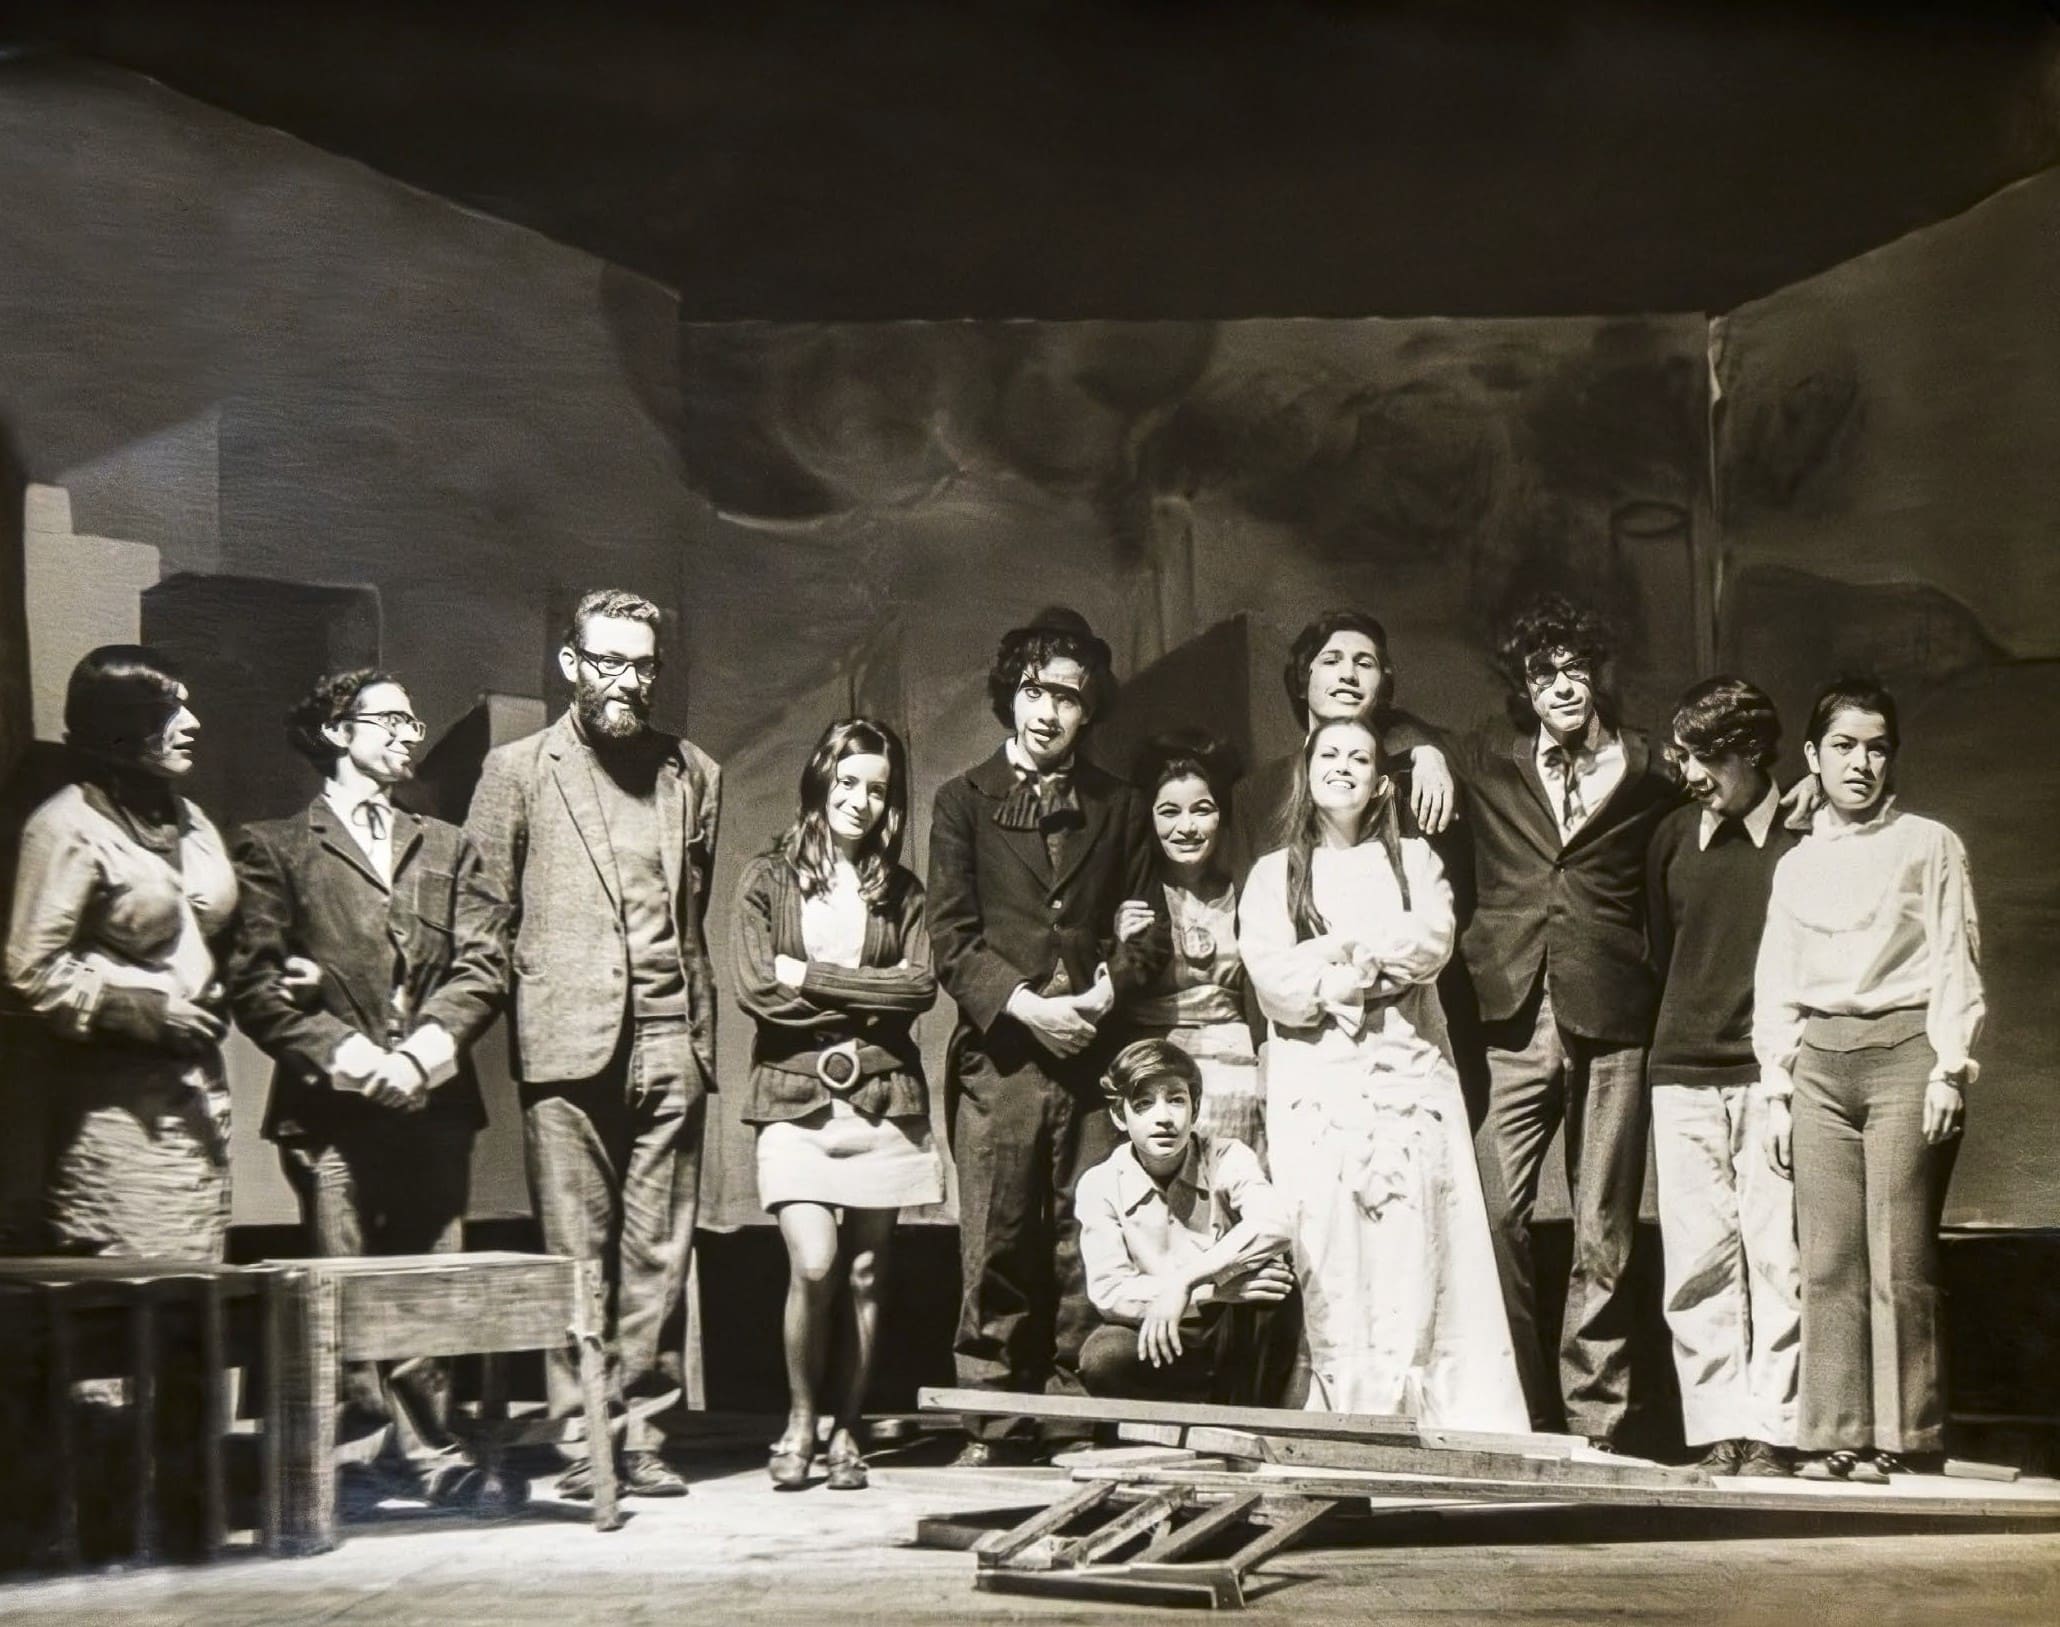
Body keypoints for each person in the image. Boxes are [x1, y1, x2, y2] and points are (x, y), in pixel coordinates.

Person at [466, 588, 721, 1501]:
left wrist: (698, 1045)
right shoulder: (517, 771)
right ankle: (585, 1442)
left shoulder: (696, 772)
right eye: (609, 661)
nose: (628, 680)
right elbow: (483, 918)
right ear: (571, 664)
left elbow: (688, 917)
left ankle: (642, 1433)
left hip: (668, 1041)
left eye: (643, 664)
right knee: (577, 1250)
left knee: (659, 1252)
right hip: (565, 1042)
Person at [227, 668, 506, 1499]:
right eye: (388, 720)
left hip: (433, 1105)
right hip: (329, 1113)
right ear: (337, 731)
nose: (407, 735)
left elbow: (484, 966)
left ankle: (429, 1450)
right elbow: (259, 985)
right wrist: (355, 1060)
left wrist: (419, 1054)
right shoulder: (274, 846)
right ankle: (357, 1449)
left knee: (425, 1283)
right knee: (342, 1283)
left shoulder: (452, 845)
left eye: (412, 721)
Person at [926, 605, 1170, 1464]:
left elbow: (1145, 933)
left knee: (1082, 1238)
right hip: (1003, 1060)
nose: (1049, 709)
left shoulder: (1121, 805)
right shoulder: (961, 802)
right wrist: (1031, 1008)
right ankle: (990, 1420)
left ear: (1088, 708)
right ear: (1010, 693)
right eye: (1035, 688)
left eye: (1069, 694)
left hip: (1095, 1062)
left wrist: (1105, 995)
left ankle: (1075, 1417)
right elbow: (952, 941)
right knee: (996, 1239)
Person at [1239, 717, 1529, 1428]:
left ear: (1379, 781)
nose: (1343, 767)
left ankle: (1441, 1416)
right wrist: (1342, 976)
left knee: (1419, 1244)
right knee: (1333, 1246)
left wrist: (1340, 961)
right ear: (1307, 771)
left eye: (1359, 757)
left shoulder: (1415, 860)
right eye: (1329, 755)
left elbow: (1428, 942)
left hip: (1407, 1078)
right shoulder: (1274, 873)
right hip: (1319, 1086)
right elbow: (1274, 976)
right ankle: (1346, 1413)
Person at [1447, 593, 1679, 1446]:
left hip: (1614, 1011)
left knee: (1603, 1226)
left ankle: (1597, 1418)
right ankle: (1518, 1402)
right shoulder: (1482, 756)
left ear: (1597, 674)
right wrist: (1427, 767)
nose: (1562, 684)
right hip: (1511, 1010)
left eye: (1576, 667)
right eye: (1544, 672)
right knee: (1492, 1210)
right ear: (1524, 685)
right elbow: (1402, 756)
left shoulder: (1654, 766)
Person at [1754, 679, 1982, 1483]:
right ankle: (1833, 1435)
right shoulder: (1797, 865)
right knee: (1828, 1256)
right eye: (1845, 746)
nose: (1862, 762)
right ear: (1814, 757)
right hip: (1818, 1062)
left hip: (1906, 1053)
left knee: (1901, 1253)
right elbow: (1778, 976)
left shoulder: (1929, 843)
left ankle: (1908, 1436)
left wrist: (1950, 1067)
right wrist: (1779, 1090)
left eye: (1878, 746)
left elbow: (1956, 958)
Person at [732, 717, 943, 1493]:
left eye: (877, 788)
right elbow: (757, 990)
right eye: (848, 781)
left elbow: (919, 987)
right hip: (792, 1102)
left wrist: (812, 976)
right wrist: (867, 1002)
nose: (859, 799)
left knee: (863, 1275)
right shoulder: (765, 877)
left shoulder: (902, 890)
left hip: (887, 1102)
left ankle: (847, 1431)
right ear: (821, 779)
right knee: (814, 1261)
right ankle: (798, 1420)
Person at [5, 646, 237, 1262]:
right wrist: (142, 1010)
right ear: (118, 724)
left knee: (197, 1312)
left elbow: (214, 934)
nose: (191, 725)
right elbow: (30, 970)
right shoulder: (66, 826)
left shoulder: (194, 822)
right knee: (136, 1306)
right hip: (116, 1115)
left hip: (200, 1106)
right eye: (167, 711)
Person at [1645, 677, 1802, 1477]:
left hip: (1772, 1076)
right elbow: (1659, 949)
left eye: (1706, 756)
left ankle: (1774, 1430)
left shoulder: (1804, 841)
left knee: (1778, 1254)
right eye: (1684, 754)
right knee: (1698, 1260)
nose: (1691, 772)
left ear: (1750, 754)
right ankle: (1717, 1431)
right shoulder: (1672, 838)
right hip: (1680, 1073)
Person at [1074, 1038, 1294, 1403]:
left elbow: (1273, 1225)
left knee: (1276, 1287)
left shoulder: (1227, 1156)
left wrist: (1185, 1282)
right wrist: (1209, 1291)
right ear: (1119, 1115)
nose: (1163, 1117)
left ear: (1194, 1109)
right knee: (1103, 1357)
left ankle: (1250, 1419)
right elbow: (1110, 1291)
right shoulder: (1100, 1183)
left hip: (1230, 1329)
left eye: (1176, 1100)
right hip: (1163, 1330)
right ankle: (1182, 1419)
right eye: (1143, 1104)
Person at [1113, 733, 1264, 1161]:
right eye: (1169, 812)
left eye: (1202, 810)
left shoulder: (1247, 894)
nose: (1187, 827)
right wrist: (1121, 945)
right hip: (1152, 1079)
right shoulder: (1131, 899)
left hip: (1240, 1081)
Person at [1223, 609, 1456, 883]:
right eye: (1331, 661)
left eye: (1365, 663)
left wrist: (1427, 754)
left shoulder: (1415, 782)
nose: (1348, 675)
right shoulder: (1254, 796)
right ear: (1302, 680)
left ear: (1382, 685)